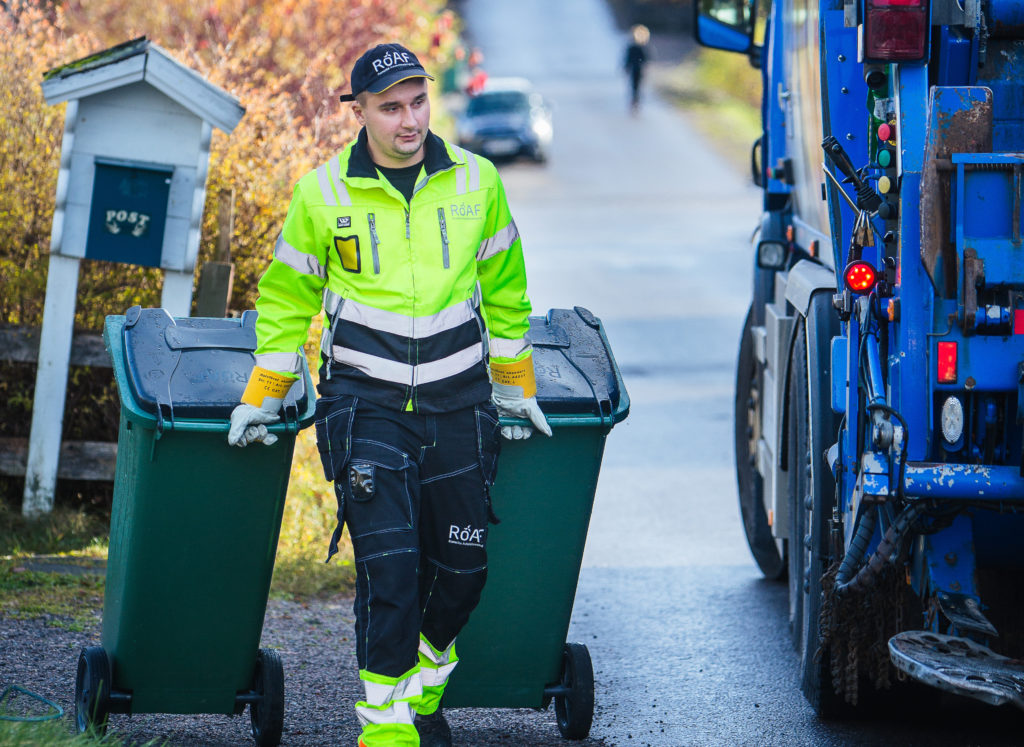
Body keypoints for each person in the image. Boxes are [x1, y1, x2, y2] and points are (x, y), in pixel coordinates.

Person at [226, 43, 551, 747]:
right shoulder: (323, 194)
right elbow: (286, 302)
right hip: (364, 408)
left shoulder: (477, 182)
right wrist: (264, 393)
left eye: (418, 102)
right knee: (391, 570)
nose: (409, 120)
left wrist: (515, 388)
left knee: (464, 569)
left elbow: (506, 292)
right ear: (361, 111)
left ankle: (424, 684)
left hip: (459, 406)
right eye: (391, 106)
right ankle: (386, 729)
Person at [623, 24, 650, 113]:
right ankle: (635, 100)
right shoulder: (632, 47)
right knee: (634, 86)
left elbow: (646, 59)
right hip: (634, 69)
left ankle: (636, 100)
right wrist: (626, 67)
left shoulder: (642, 47)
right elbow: (628, 58)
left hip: (639, 69)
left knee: (638, 86)